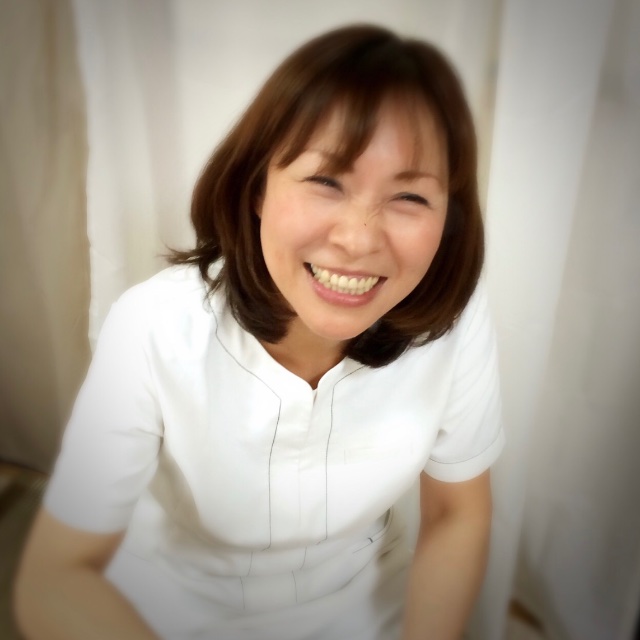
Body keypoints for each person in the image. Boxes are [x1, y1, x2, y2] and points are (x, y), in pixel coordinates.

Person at [14, 23, 504, 640]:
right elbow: (55, 577)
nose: (358, 239)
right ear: (257, 189)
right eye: (326, 181)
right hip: (168, 611)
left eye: (409, 196)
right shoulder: (154, 324)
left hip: (364, 603)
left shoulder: (453, 322)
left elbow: (458, 513)